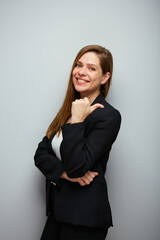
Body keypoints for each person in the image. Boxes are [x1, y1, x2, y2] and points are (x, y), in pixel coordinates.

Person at [34, 44, 121, 240]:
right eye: (78, 65)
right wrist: (63, 174)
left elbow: (77, 167)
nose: (81, 72)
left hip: (84, 219)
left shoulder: (109, 116)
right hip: (58, 213)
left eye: (91, 68)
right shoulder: (69, 110)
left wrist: (78, 121)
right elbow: (40, 154)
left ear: (105, 77)